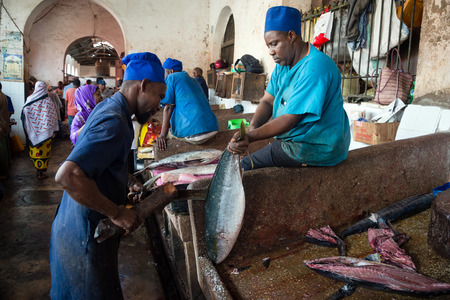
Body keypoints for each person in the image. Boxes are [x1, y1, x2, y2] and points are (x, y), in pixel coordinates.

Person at [50, 52, 167, 299]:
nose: (160, 105)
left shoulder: (111, 107)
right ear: (143, 85)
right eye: (159, 95)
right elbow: (68, 175)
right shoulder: (114, 120)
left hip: (77, 223)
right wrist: (117, 213)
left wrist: (127, 179)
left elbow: (99, 158)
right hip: (85, 232)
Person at [228, 6, 350, 171]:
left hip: (315, 146)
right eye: (268, 46)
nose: (271, 52)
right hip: (295, 139)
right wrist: (252, 127)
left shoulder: (315, 66)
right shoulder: (283, 64)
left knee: (243, 167)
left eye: (274, 44)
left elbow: (289, 119)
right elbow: (268, 101)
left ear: (291, 35)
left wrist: (250, 136)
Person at [157, 58, 219, 150]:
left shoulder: (172, 77)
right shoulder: (193, 81)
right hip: (213, 128)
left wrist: (162, 135)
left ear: (171, 71)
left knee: (166, 137)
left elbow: (168, 107)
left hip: (195, 134)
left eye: (164, 72)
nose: (164, 75)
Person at [21, 81, 59, 179]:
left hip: (34, 132)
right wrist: (54, 130)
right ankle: (41, 172)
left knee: (35, 151)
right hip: (46, 133)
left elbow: (25, 112)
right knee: (44, 152)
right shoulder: (48, 101)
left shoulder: (30, 99)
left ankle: (37, 170)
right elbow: (53, 117)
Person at [0, 83, 11, 179]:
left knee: (2, 149)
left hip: (1, 127)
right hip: (3, 125)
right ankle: (5, 169)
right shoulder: (4, 96)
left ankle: (3, 172)